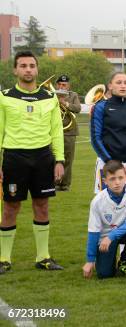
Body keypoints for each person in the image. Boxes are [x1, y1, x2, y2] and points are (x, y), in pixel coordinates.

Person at [0, 50, 65, 274]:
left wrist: (60, 160)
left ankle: (43, 257)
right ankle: (4, 258)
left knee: (42, 205)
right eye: (23, 65)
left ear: (37, 69)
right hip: (14, 157)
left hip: (42, 158)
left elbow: (57, 131)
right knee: (10, 207)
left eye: (31, 65)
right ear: (15, 70)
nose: (28, 69)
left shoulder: (49, 97)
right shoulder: (5, 96)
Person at [83, 160, 126, 279]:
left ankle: (125, 262)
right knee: (105, 274)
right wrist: (90, 260)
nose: (117, 182)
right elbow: (93, 231)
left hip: (122, 234)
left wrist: (112, 236)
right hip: (105, 237)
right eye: (112, 179)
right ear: (105, 181)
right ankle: (109, 258)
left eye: (120, 178)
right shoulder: (97, 201)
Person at [90, 72, 126, 193]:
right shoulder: (100, 107)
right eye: (119, 82)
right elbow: (96, 138)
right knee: (104, 205)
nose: (123, 86)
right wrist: (109, 162)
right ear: (110, 86)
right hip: (106, 164)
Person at [54, 74, 81, 192]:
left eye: (64, 85)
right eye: (59, 84)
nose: (61, 86)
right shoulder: (52, 95)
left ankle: (65, 184)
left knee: (68, 159)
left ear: (68, 85)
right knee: (54, 159)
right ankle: (54, 182)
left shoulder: (73, 95)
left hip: (69, 131)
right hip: (55, 131)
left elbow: (78, 108)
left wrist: (66, 104)